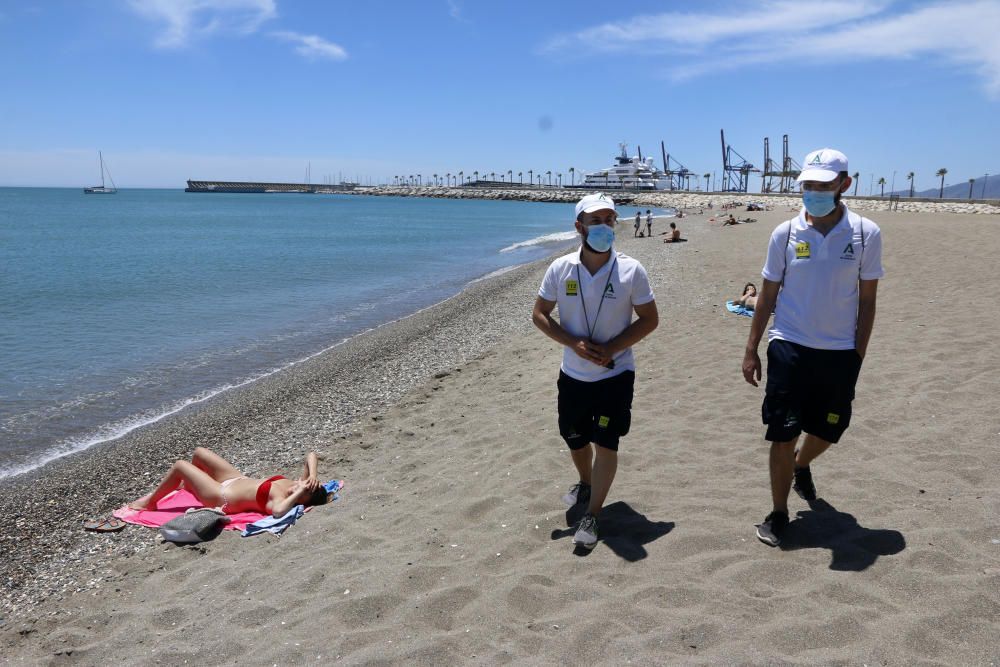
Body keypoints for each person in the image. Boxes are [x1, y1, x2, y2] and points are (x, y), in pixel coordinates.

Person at [741, 148, 883, 547]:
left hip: (840, 352)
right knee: (781, 433)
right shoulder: (784, 233)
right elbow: (767, 294)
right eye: (808, 185)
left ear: (844, 184)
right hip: (789, 345)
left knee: (830, 428)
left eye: (823, 185)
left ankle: (802, 465)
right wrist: (751, 348)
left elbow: (868, 301)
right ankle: (779, 510)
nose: (814, 192)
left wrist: (858, 354)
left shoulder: (865, 233)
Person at [532, 193, 658, 550]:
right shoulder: (560, 269)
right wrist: (573, 343)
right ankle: (585, 482)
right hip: (572, 375)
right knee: (573, 437)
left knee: (606, 441)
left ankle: (594, 512)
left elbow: (650, 319)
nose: (604, 227)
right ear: (579, 227)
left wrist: (612, 349)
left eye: (609, 220)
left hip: (615, 375)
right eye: (595, 220)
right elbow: (539, 313)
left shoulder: (632, 270)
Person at [129, 447, 330, 518]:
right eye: (300, 484)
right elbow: (311, 455)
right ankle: (191, 486)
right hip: (234, 478)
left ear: (302, 500)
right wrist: (312, 476)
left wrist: (296, 493)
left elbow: (278, 512)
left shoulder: (281, 500)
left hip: (220, 495)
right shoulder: (301, 487)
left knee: (180, 465)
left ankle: (150, 503)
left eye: (301, 488)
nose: (297, 483)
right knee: (199, 453)